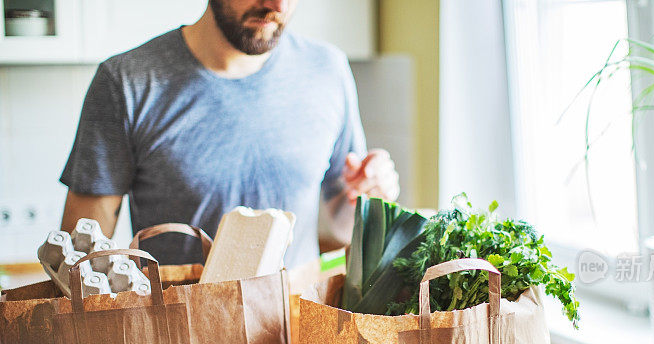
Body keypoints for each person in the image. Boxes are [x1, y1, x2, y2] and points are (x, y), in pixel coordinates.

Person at [59, 0, 400, 268]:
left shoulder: (328, 69)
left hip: (296, 338)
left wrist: (366, 196)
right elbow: (82, 254)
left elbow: (342, 226)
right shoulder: (126, 82)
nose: (279, 6)